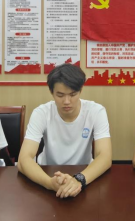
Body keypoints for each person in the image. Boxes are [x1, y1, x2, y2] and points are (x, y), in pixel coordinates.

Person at [18, 64, 112, 199]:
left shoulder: (96, 111)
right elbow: (24, 159)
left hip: (85, 173)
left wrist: (79, 179)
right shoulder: (41, 113)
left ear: (81, 90)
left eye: (73, 94)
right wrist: (49, 183)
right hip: (46, 172)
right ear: (51, 92)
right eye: (60, 95)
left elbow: (105, 157)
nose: (67, 101)